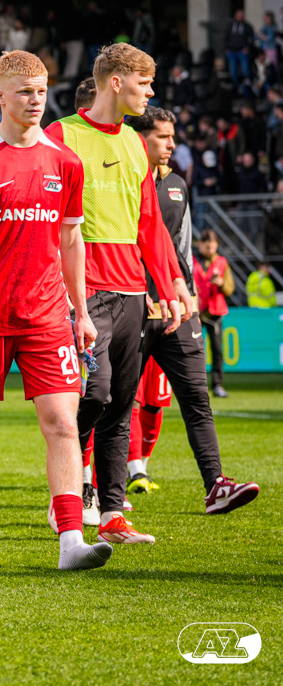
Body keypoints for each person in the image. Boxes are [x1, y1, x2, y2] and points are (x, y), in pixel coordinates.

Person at [0, 50, 110, 570]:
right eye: (25, 92)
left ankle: (71, 542)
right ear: (0, 96)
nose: (36, 101)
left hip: (48, 316)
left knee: (63, 423)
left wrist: (81, 311)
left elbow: (72, 241)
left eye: (41, 91)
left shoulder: (65, 162)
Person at [45, 43, 190, 545]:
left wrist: (171, 282)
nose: (150, 92)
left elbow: (150, 223)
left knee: (121, 403)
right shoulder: (61, 135)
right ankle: (67, 484)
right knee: (97, 391)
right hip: (83, 290)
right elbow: (48, 221)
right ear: (115, 82)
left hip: (132, 291)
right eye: (143, 83)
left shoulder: (133, 143)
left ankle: (111, 514)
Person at [121, 107, 258, 514]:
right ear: (140, 137)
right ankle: (99, 489)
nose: (172, 144)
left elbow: (180, 245)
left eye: (172, 136)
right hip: (129, 302)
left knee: (196, 397)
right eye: (163, 137)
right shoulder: (120, 177)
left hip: (176, 306)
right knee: (114, 402)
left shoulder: (177, 184)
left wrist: (189, 295)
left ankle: (216, 485)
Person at [193, 229, 234, 398]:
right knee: (193, 349)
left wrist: (222, 283)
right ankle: (194, 385)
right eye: (207, 247)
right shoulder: (191, 260)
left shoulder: (222, 262)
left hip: (214, 312)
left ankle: (217, 384)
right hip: (194, 311)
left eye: (213, 247)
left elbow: (230, 289)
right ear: (200, 244)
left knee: (216, 349)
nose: (210, 250)